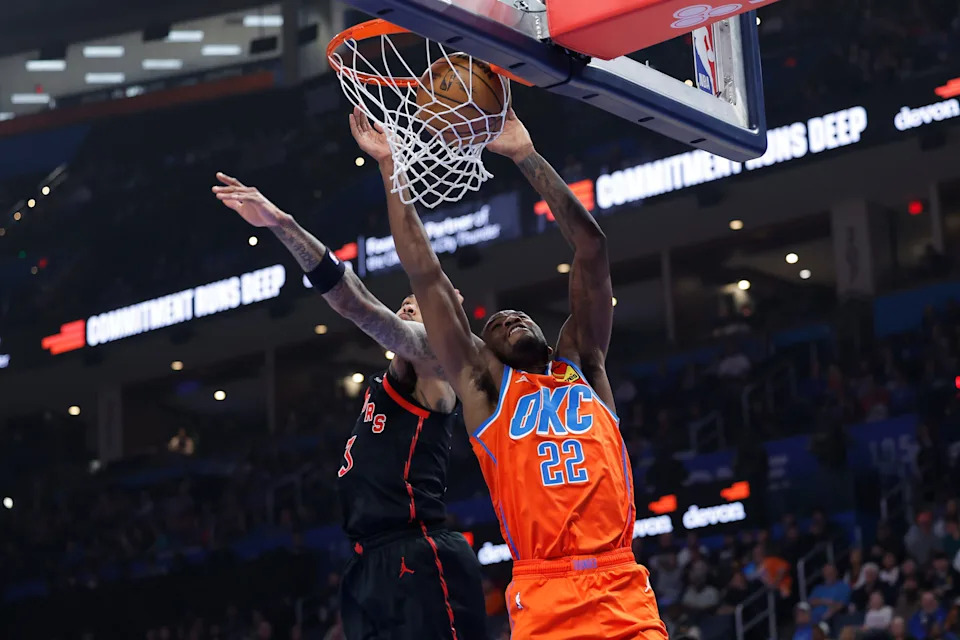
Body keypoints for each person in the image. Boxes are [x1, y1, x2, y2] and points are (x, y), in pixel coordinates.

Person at [349, 106, 667, 640]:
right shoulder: (485, 388)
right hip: (545, 594)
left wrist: (524, 154)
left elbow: (592, 248)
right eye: (497, 323)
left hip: (621, 588)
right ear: (485, 351)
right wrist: (391, 168)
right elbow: (424, 272)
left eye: (519, 316)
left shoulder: (584, 366)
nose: (512, 317)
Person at [211, 174, 486, 639]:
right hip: (369, 558)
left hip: (416, 550)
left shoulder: (439, 361)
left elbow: (355, 303)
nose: (404, 307)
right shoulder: (395, 377)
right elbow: (353, 294)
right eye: (403, 302)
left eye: (415, 304)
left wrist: (283, 223)